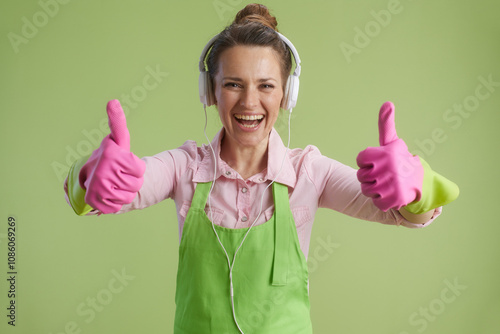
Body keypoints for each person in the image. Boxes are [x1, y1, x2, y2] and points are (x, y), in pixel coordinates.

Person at [64, 3, 459, 333]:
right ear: (210, 91)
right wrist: (91, 178)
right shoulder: (184, 168)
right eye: (233, 84)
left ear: (287, 94)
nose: (249, 102)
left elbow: (405, 215)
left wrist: (417, 186)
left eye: (266, 85)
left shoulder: (309, 172)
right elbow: (106, 192)